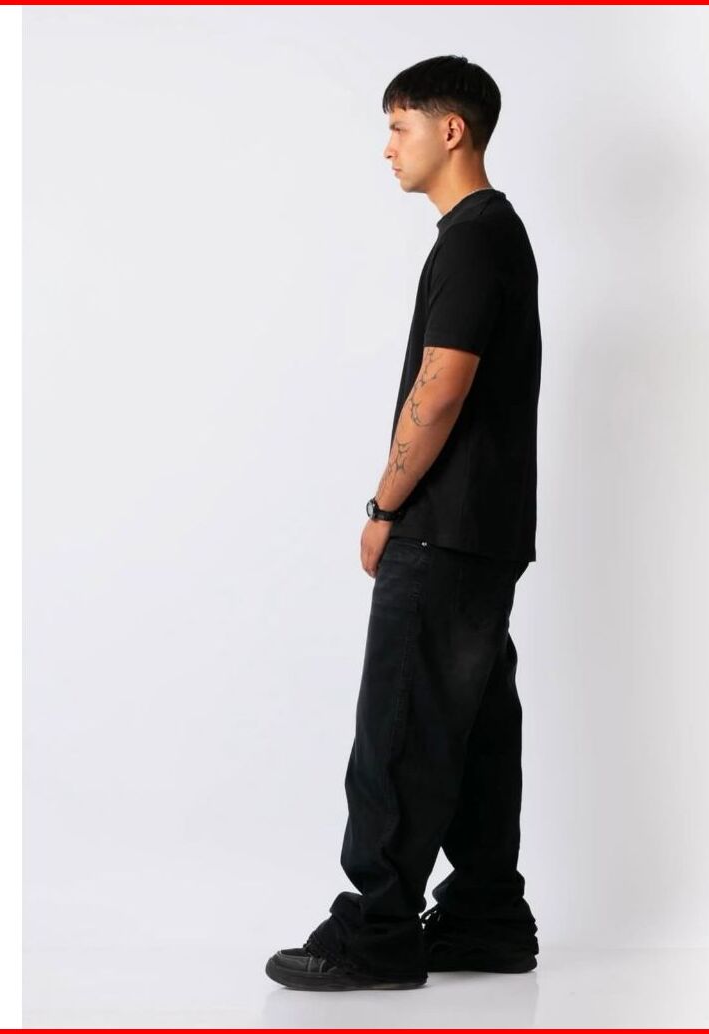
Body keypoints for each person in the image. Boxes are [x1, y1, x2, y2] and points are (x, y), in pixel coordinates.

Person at [265, 54, 542, 992]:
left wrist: (385, 505)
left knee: (399, 726)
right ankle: (485, 918)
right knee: (475, 728)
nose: (388, 147)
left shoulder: (472, 238)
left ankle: (376, 930)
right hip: (487, 531)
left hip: (441, 525)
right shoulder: (496, 235)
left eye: (399, 126)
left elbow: (442, 383)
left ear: (450, 130)